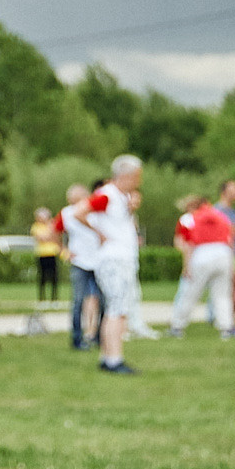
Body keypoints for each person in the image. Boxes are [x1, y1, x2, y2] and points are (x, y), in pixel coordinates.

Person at [80, 155, 145, 374]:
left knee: (117, 308)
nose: (139, 181)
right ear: (127, 175)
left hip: (122, 258)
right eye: (137, 176)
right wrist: (99, 233)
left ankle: (107, 356)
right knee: (117, 308)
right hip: (113, 260)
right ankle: (114, 359)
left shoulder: (120, 197)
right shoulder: (106, 195)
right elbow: (79, 211)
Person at [169, 194, 235, 338]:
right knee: (222, 294)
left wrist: (187, 266)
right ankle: (227, 327)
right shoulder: (221, 216)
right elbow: (231, 239)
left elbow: (188, 243)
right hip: (223, 253)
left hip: (202, 253)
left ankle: (177, 326)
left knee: (190, 293)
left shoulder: (192, 218)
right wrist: (232, 263)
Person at [61, 182, 102, 351]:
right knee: (78, 301)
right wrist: (63, 250)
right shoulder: (66, 213)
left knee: (102, 301)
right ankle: (77, 338)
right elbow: (53, 231)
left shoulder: (96, 212)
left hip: (98, 261)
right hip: (79, 262)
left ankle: (99, 336)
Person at [29, 206, 63, 305]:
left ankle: (54, 299)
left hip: (52, 253)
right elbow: (41, 238)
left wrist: (50, 233)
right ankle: (42, 299)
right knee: (42, 277)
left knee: (54, 277)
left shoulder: (52, 225)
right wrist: (50, 237)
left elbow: (56, 236)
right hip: (42, 253)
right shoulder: (36, 226)